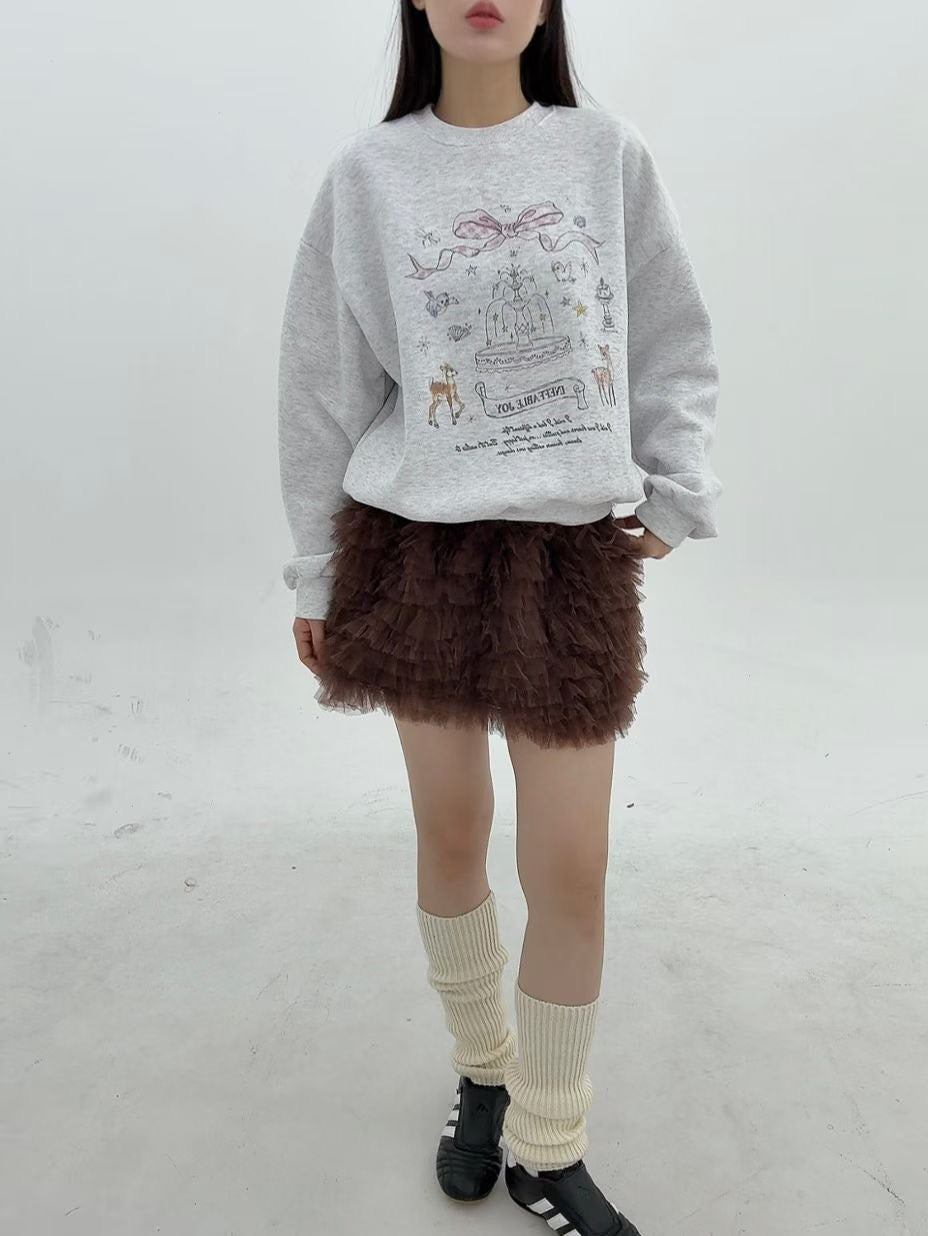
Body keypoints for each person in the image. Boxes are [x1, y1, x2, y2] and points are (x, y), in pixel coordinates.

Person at [277, 2, 721, 1232]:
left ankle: (548, 1141)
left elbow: (672, 335)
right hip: (412, 551)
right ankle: (482, 1074)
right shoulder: (368, 175)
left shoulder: (604, 154)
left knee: (571, 864)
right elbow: (320, 384)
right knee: (453, 831)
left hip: (567, 557)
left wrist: (677, 491)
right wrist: (315, 574)